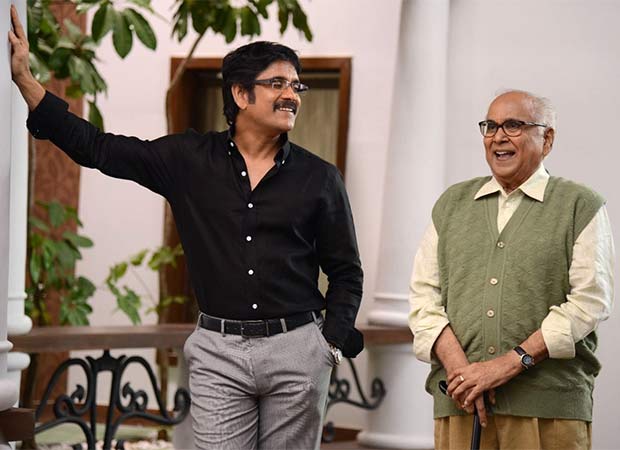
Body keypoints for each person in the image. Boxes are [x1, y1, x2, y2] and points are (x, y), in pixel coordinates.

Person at [9, 5, 363, 449]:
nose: (291, 94)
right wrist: (26, 81)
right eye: (277, 83)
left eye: (297, 85)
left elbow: (346, 271)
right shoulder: (188, 160)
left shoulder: (320, 177)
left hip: (297, 349)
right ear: (240, 94)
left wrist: (328, 345)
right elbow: (98, 148)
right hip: (218, 352)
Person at [408, 89, 614, 449]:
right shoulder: (451, 204)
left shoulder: (580, 205)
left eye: (514, 125)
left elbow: (589, 302)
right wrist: (463, 375)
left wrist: (506, 365)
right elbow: (423, 296)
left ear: (547, 139)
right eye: (490, 126)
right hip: (461, 405)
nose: (498, 137)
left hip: (548, 409)